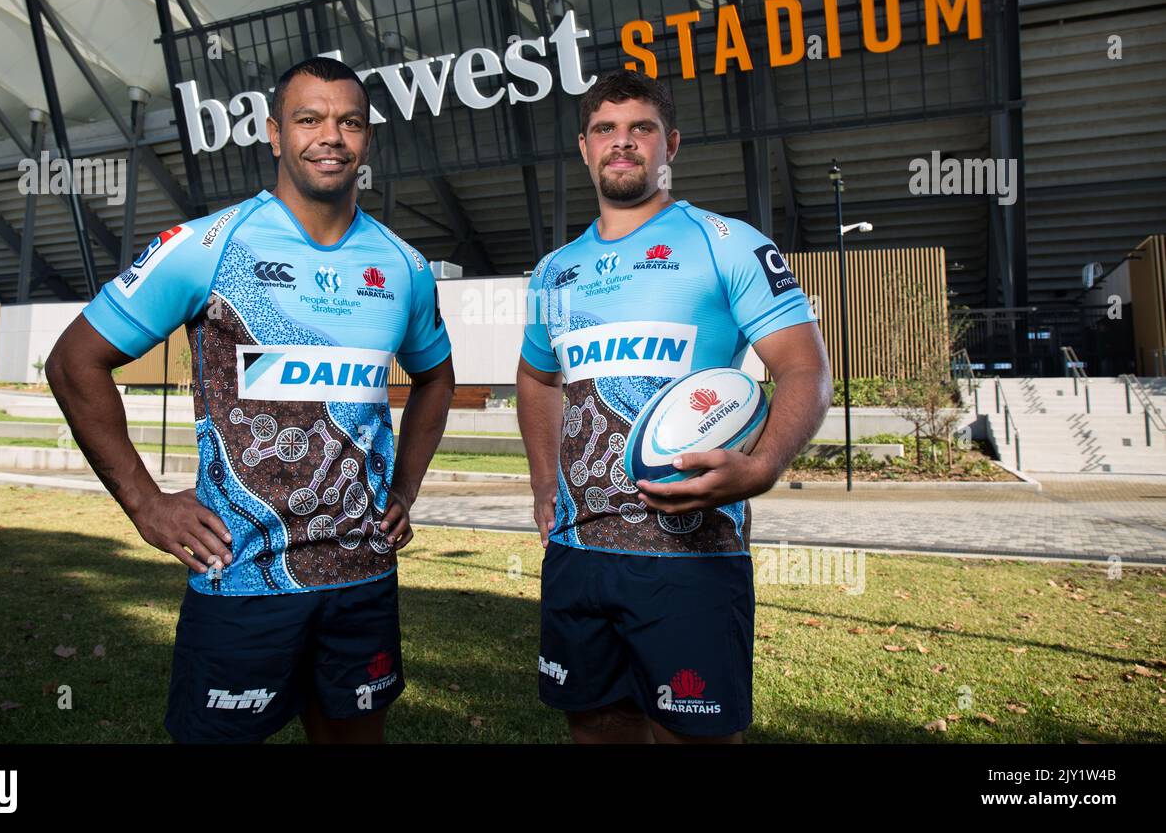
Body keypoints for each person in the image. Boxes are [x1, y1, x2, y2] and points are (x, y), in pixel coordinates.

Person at [46, 56, 454, 743]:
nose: (331, 136)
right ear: (273, 133)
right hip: (242, 578)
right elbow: (74, 362)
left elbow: (435, 379)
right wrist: (146, 503)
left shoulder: (405, 267)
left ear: (368, 139)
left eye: (350, 121)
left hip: (362, 577)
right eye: (309, 119)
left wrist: (405, 491)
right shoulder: (206, 247)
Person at [517, 69, 831, 743]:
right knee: (595, 726)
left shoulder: (729, 245)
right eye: (606, 129)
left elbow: (805, 368)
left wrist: (766, 464)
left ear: (672, 145)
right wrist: (544, 480)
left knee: (693, 735)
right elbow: (537, 378)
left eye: (641, 129)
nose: (622, 143)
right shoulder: (554, 271)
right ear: (584, 147)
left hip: (692, 554)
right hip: (579, 550)